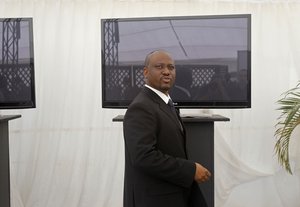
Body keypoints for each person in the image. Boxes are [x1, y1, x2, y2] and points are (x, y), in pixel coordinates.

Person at [123, 50, 211, 207]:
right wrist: (190, 170)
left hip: (173, 194)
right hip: (155, 200)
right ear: (145, 71)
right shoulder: (141, 107)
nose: (166, 71)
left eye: (171, 67)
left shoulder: (165, 103)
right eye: (159, 66)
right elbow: (144, 157)